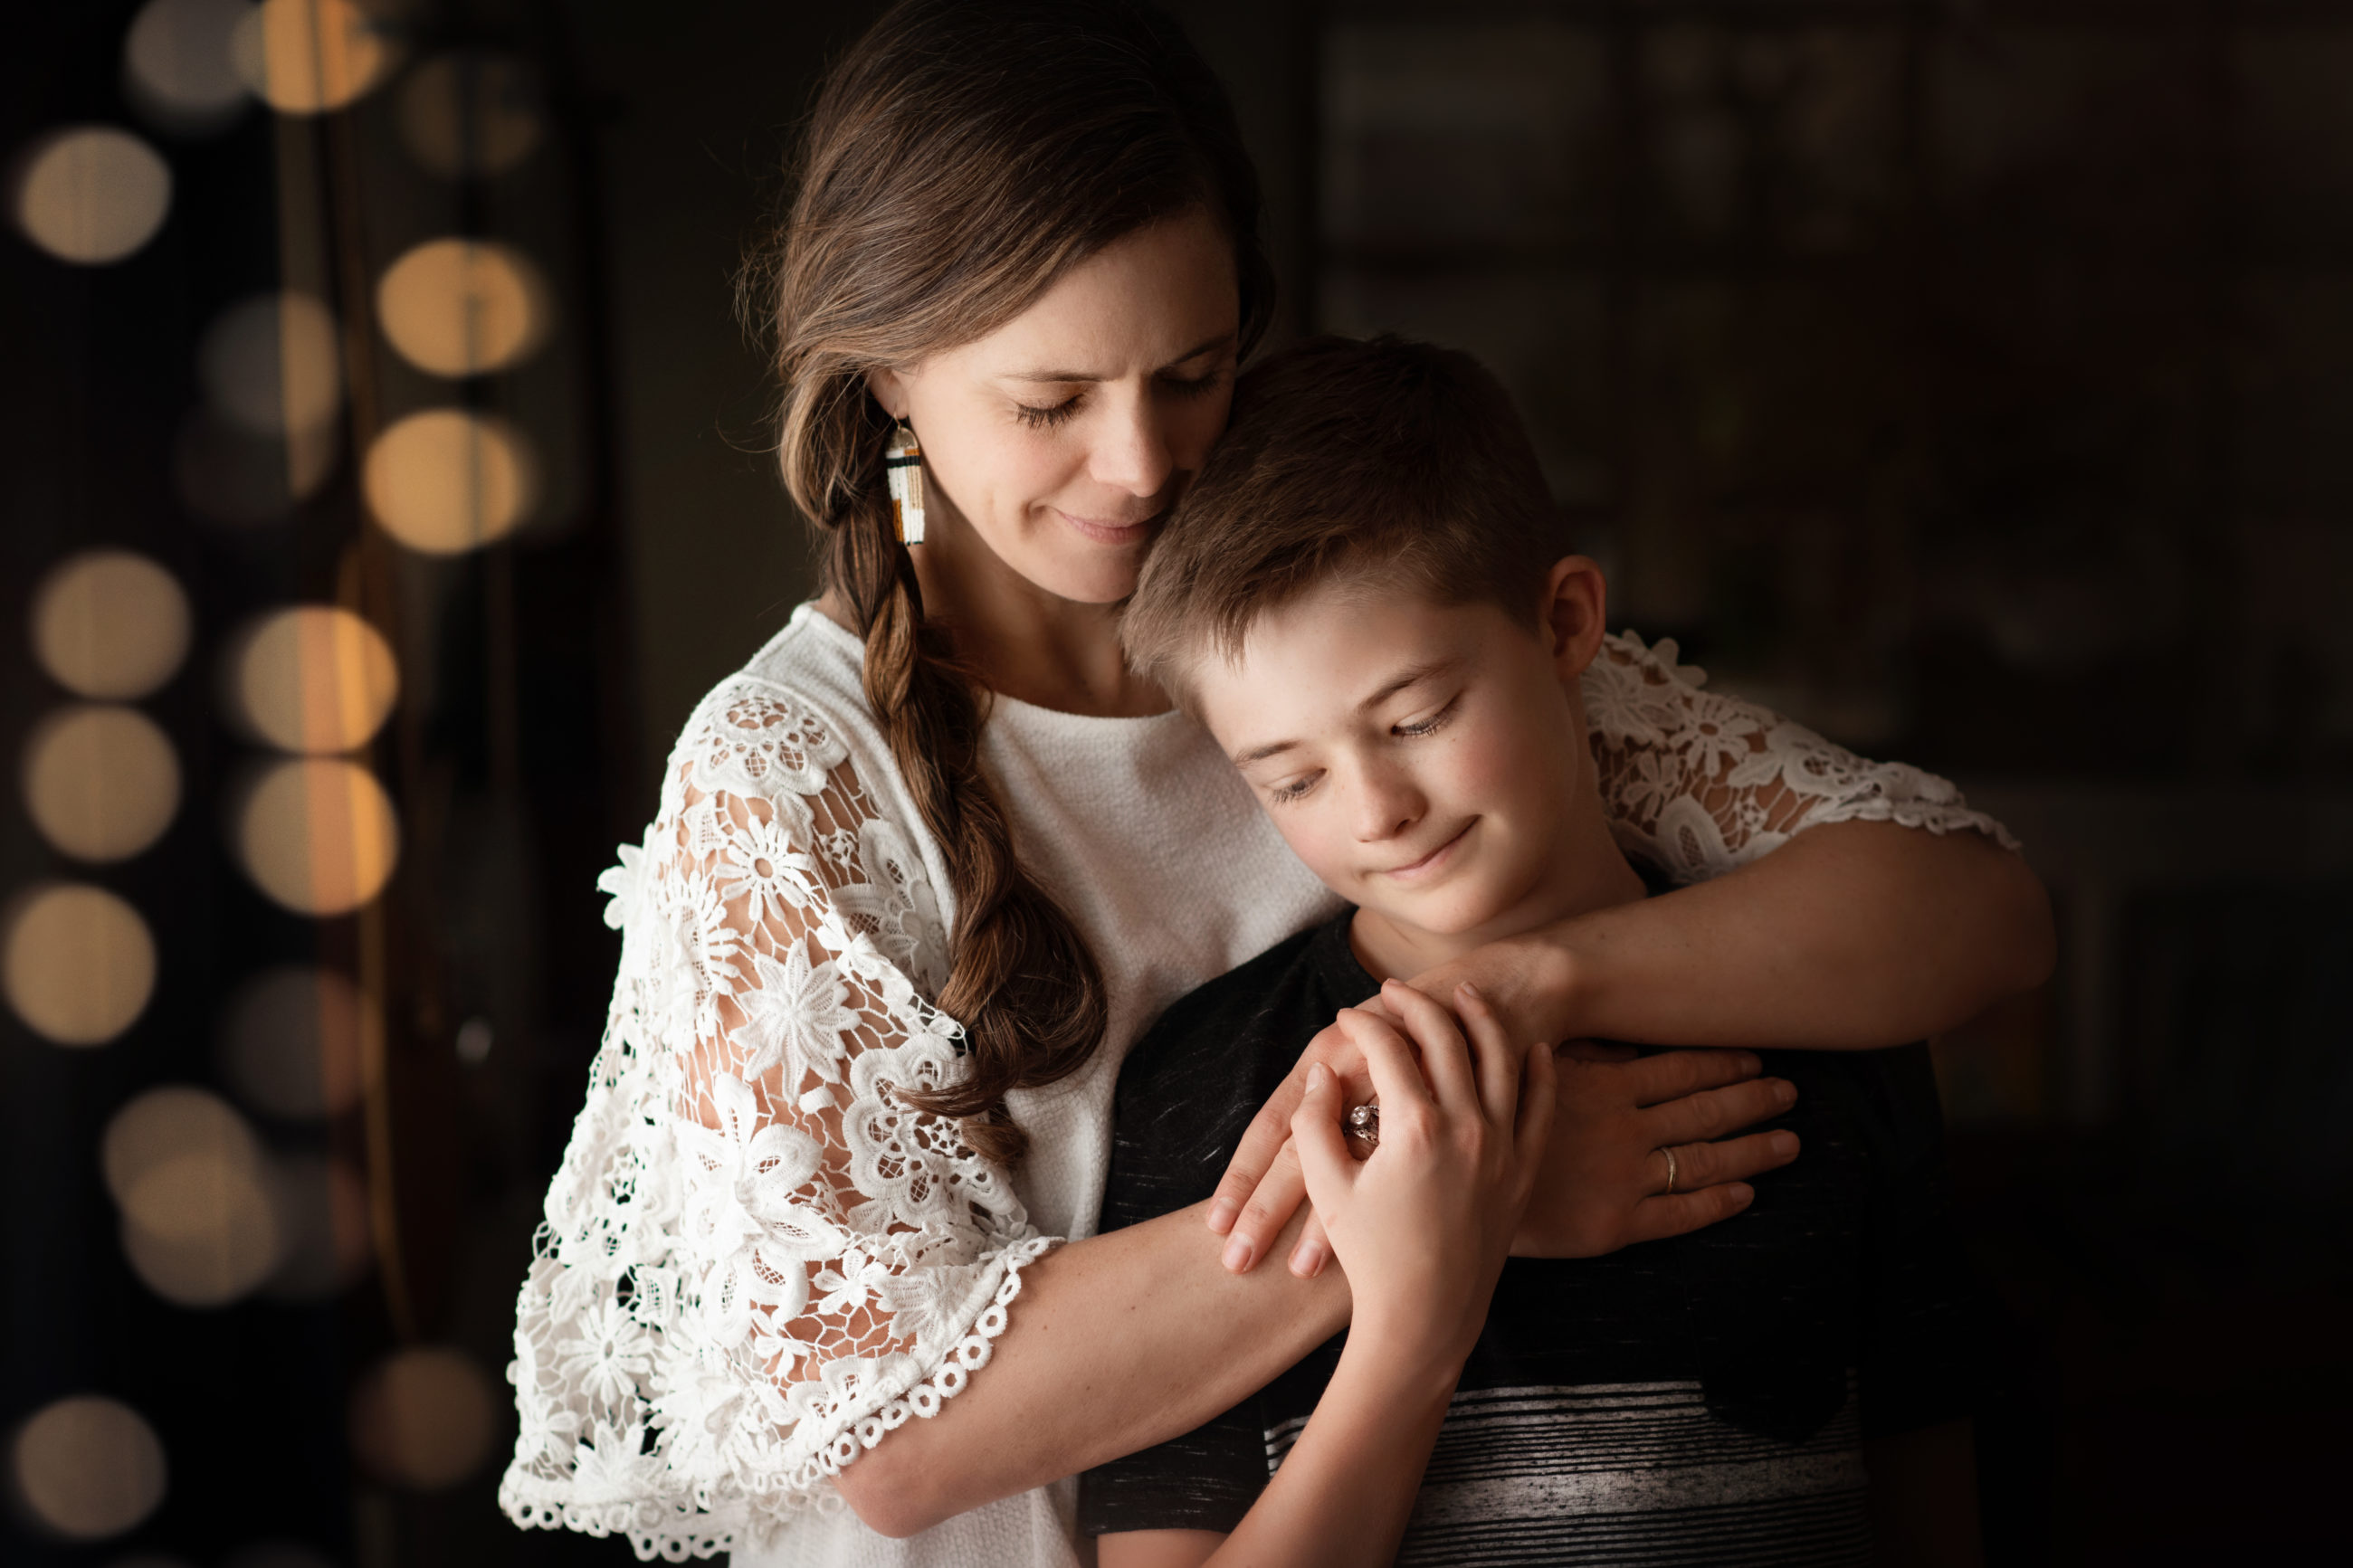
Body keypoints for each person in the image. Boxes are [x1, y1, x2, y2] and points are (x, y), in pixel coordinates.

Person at [498, 4, 2049, 1564]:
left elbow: (1966, 908)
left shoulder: (1336, 630)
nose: (1143, 465)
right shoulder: (790, 774)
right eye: (1051, 403)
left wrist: (1520, 994)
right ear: (888, 374)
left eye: (1194, 369)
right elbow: (885, 1433)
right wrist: (1465, 1191)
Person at [1084, 334, 1986, 1567]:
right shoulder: (1213, 1092)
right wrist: (1415, 1324)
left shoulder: (1831, 1011)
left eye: (1417, 717)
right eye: (1290, 775)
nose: (1375, 810)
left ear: (1567, 622)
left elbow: (1930, 1505)